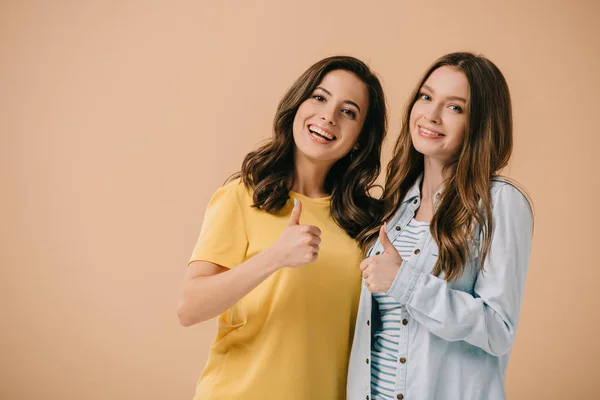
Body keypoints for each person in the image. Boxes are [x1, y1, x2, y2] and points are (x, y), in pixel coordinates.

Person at [178, 55, 387, 399]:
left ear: (361, 138)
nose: (328, 116)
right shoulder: (242, 197)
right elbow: (189, 307)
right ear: (297, 104)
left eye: (348, 111)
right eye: (319, 98)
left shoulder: (366, 222)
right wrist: (275, 257)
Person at [347, 52, 533, 400]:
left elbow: (498, 331)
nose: (430, 115)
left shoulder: (499, 204)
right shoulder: (396, 204)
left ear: (480, 123)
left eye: (454, 107)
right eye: (426, 96)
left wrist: (405, 282)